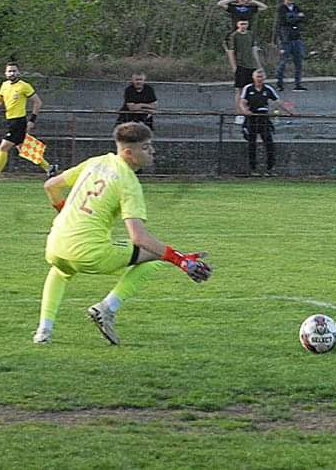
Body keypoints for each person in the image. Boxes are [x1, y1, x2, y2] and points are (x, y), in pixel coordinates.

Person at [33, 122, 212, 345]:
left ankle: (43, 331)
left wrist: (64, 213)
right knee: (154, 256)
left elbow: (51, 186)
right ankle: (106, 308)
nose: (152, 151)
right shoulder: (128, 181)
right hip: (91, 253)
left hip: (55, 244)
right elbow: (140, 238)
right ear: (129, 153)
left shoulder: (97, 161)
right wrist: (181, 260)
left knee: (60, 270)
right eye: (146, 147)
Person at [0, 62, 58, 186]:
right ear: (5, 73)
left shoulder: (24, 86)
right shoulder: (4, 85)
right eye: (9, 71)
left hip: (19, 121)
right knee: (23, 148)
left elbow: (38, 102)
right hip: (10, 121)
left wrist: (32, 120)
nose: (12, 73)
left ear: (18, 72)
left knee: (3, 147)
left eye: (14, 71)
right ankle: (49, 168)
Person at [240, 68, 291, 176]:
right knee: (251, 144)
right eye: (257, 77)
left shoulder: (268, 89)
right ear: (253, 78)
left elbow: (278, 101)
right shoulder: (248, 88)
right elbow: (242, 102)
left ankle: (270, 169)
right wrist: (245, 110)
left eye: (261, 77)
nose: (259, 79)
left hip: (264, 117)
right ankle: (253, 169)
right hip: (252, 117)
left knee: (269, 144)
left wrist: (290, 111)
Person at [224, 19, 262, 114]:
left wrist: (258, 65)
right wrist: (234, 67)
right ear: (237, 24)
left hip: (251, 65)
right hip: (241, 65)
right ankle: (239, 113)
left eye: (245, 24)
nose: (243, 26)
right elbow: (231, 52)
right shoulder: (234, 36)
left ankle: (250, 111)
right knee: (239, 90)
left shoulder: (250, 34)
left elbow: (254, 49)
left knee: (251, 88)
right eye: (241, 24)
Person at [275, 0, 307, 92]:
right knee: (283, 62)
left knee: (299, 62)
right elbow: (285, 20)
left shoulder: (297, 7)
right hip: (286, 39)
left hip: (297, 39)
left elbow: (303, 19)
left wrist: (294, 17)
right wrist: (297, 17)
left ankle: (298, 84)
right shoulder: (281, 8)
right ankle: (279, 84)